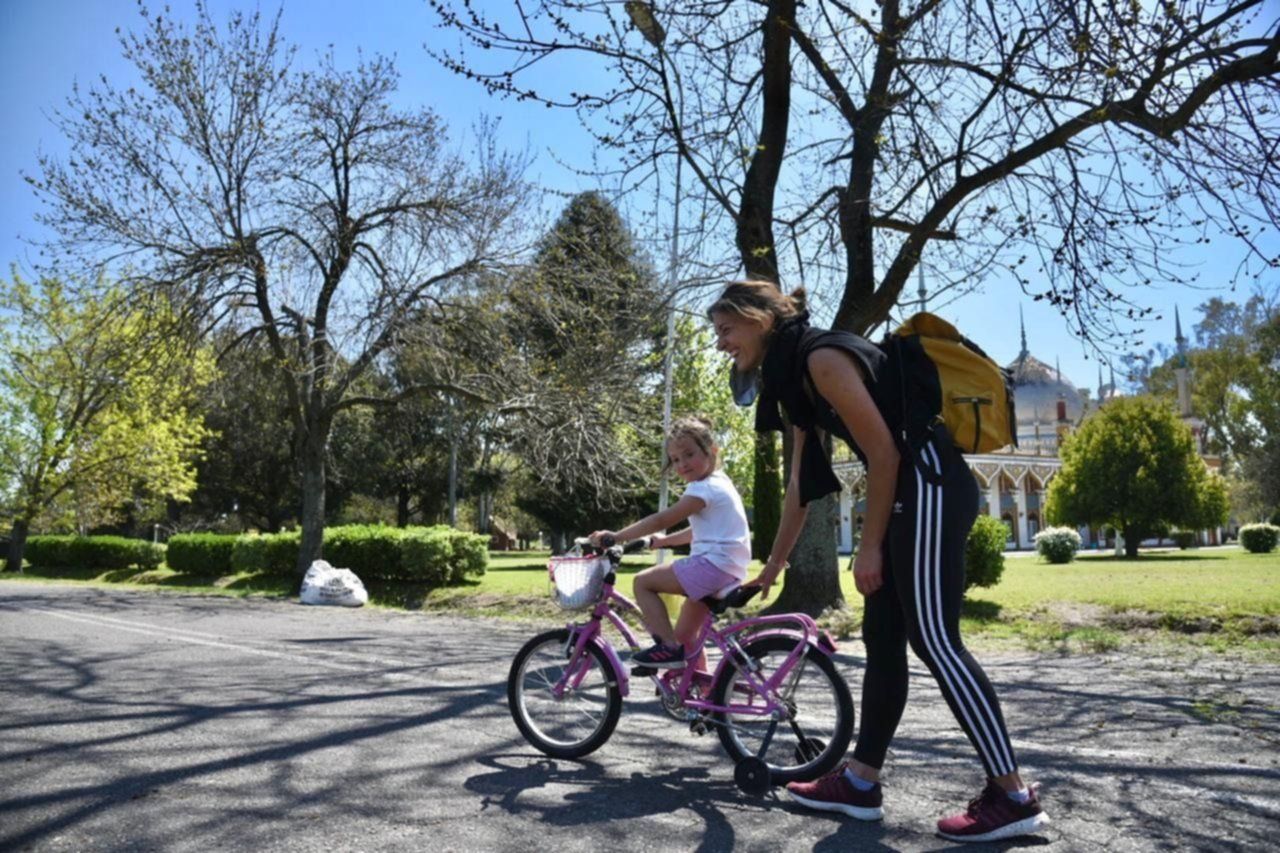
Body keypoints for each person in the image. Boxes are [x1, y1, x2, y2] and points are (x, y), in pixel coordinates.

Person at [710, 280, 1050, 844]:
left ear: (759, 319)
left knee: (935, 641)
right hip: (907, 493)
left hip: (928, 486)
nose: (721, 343)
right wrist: (773, 568)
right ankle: (860, 783)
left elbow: (886, 452)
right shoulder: (794, 377)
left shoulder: (820, 358)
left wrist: (869, 547)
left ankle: (1013, 796)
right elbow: (799, 485)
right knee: (884, 638)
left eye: (726, 330)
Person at [591, 416, 751, 670]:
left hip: (712, 566)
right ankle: (704, 688)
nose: (682, 464)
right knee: (686, 636)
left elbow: (662, 519)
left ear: (711, 450)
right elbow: (698, 531)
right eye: (675, 459)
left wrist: (617, 536)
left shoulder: (702, 489)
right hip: (727, 568)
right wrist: (664, 542)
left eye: (689, 454)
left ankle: (667, 648)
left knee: (642, 582)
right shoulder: (720, 482)